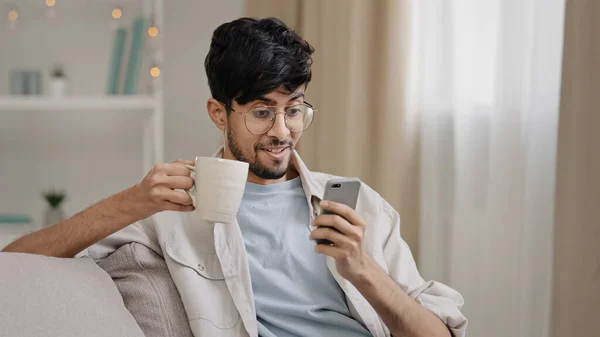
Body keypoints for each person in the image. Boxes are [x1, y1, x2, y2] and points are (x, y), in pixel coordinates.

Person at [2, 17, 467, 337]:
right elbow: (17, 262)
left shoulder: (358, 206)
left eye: (294, 110)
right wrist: (132, 201)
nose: (282, 132)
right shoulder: (173, 211)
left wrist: (362, 269)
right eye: (262, 112)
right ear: (218, 114)